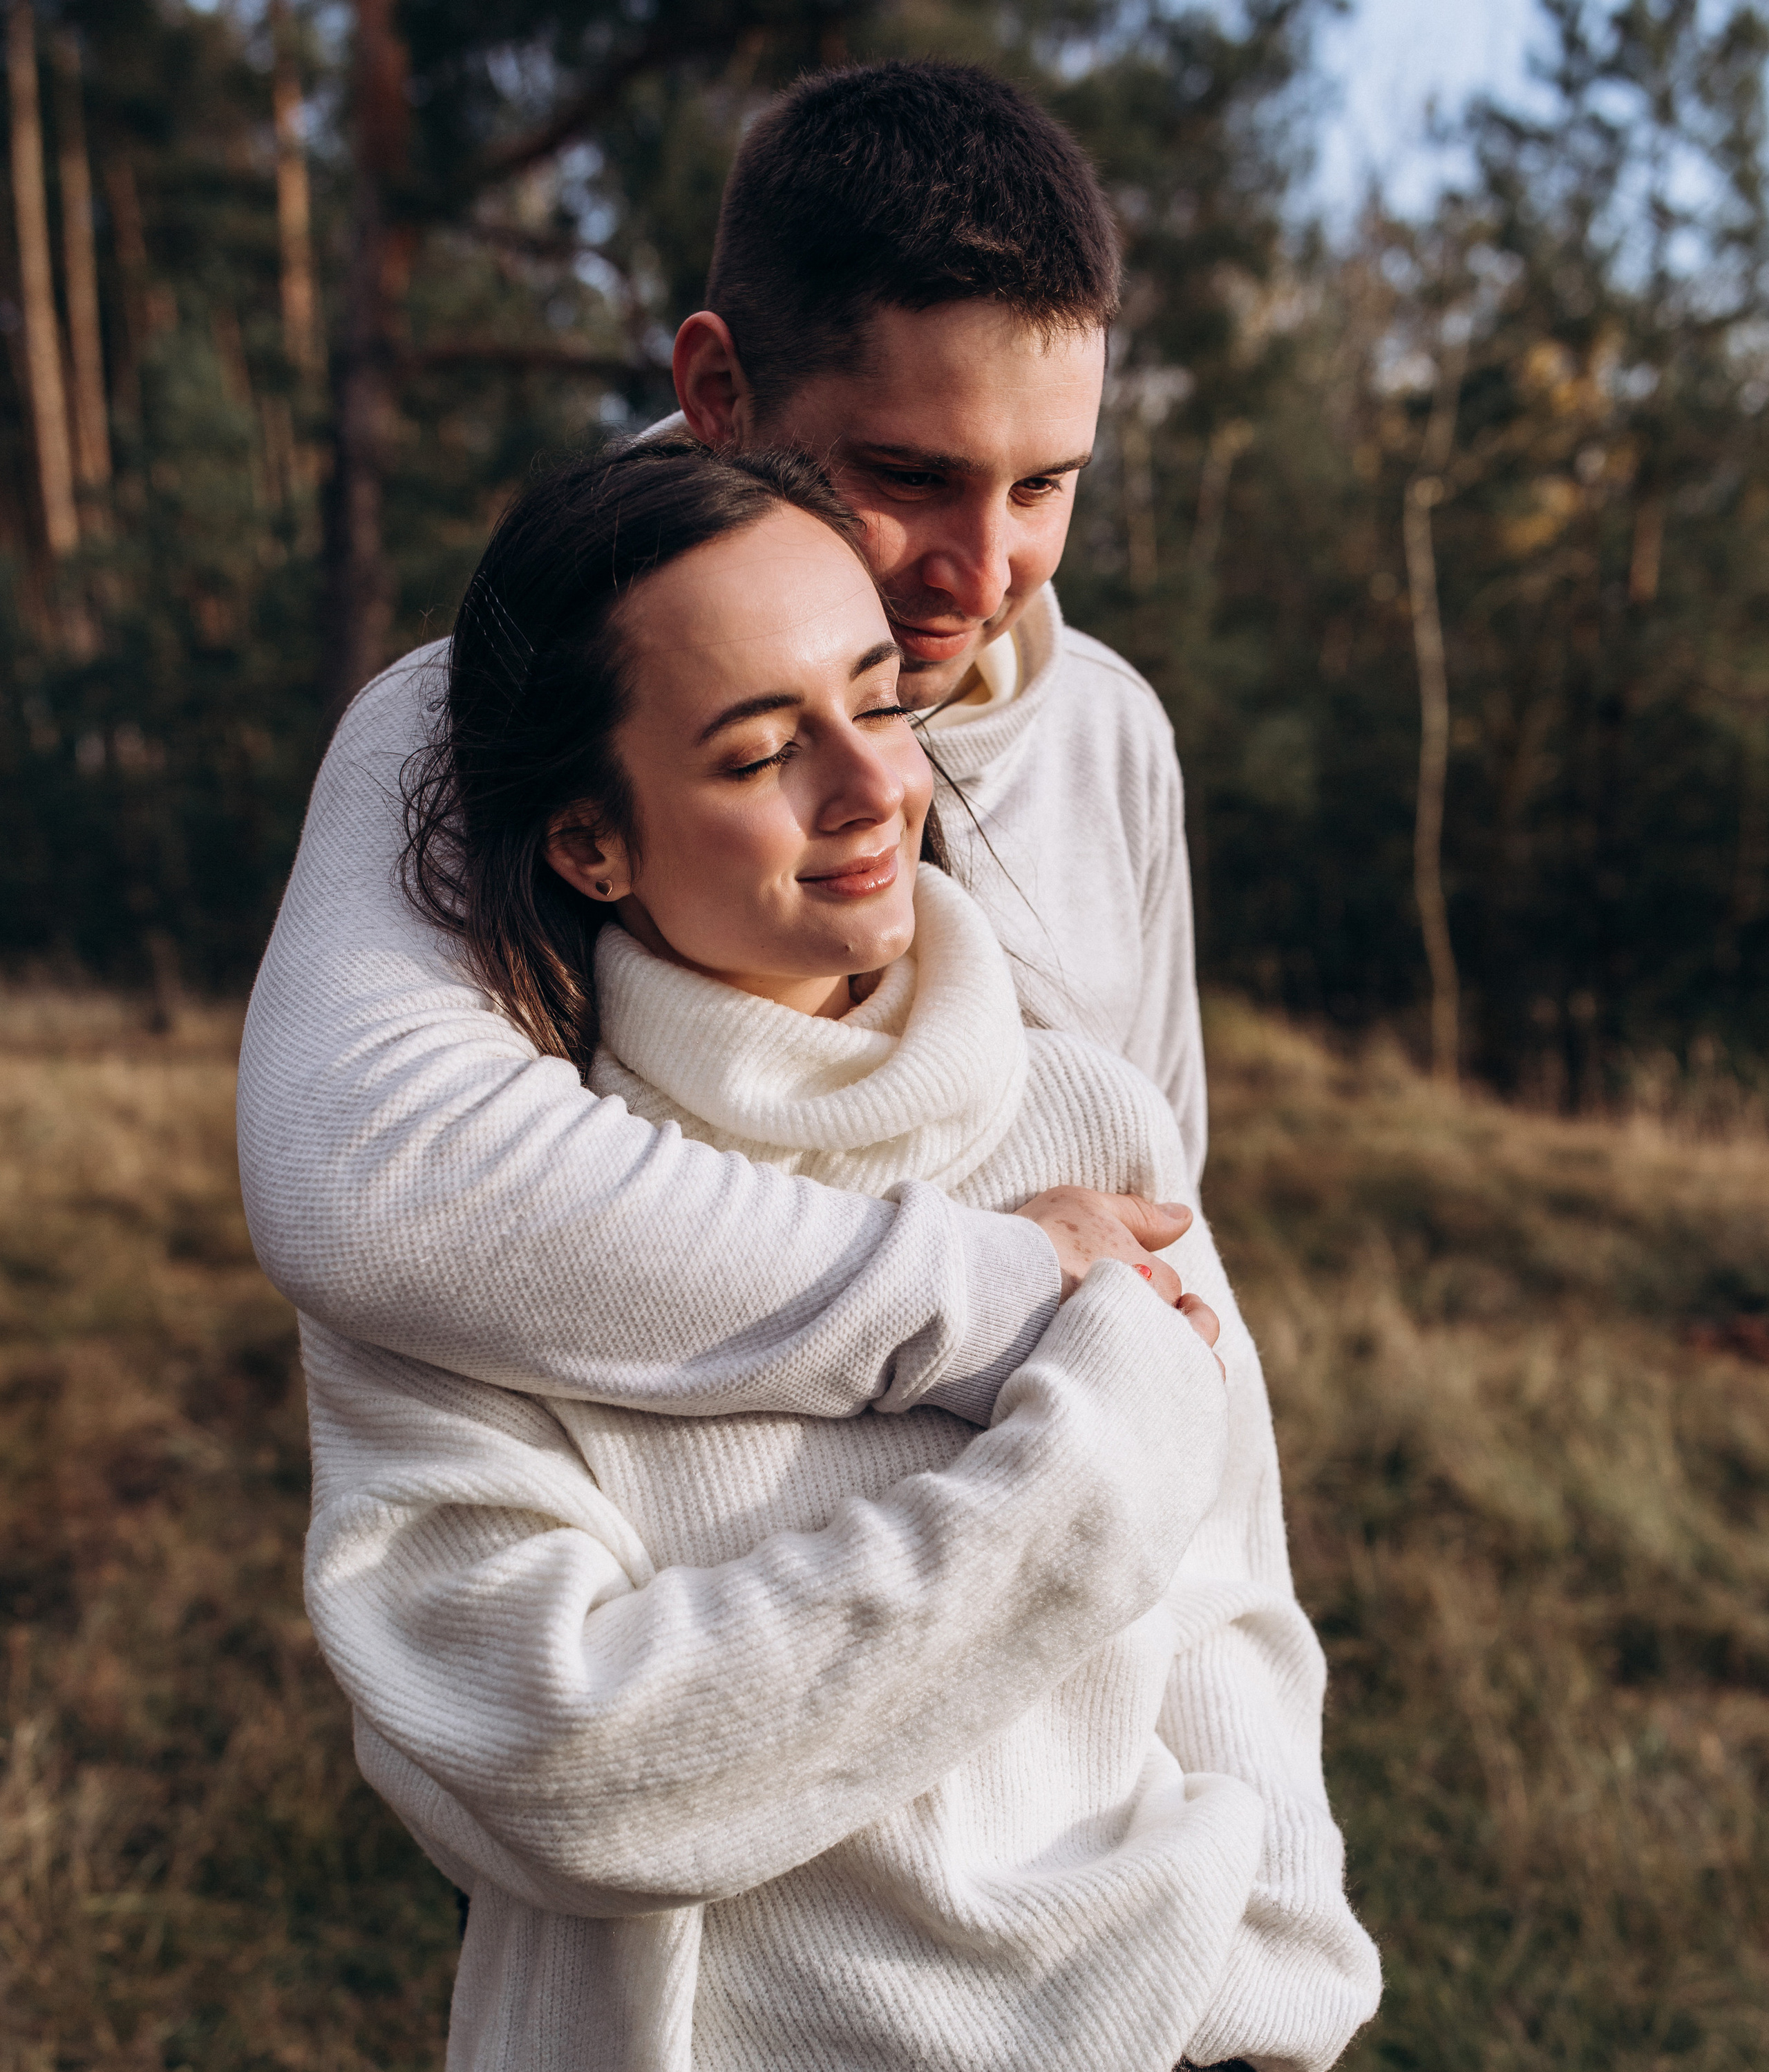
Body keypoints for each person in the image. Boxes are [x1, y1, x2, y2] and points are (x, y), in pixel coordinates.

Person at [297, 435, 1414, 2072]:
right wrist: (1079, 1462)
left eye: (878, 703)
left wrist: (1249, 1949)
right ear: (591, 837)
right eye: (755, 751)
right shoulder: (487, 1240)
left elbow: (1226, 1590)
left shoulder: (1080, 1115)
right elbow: (553, 1750)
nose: (868, 788)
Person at [238, 61, 1209, 1454]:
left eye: (1044, 485)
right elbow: (368, 1181)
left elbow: (1166, 1213)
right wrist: (996, 1289)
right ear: (716, 390)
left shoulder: (1111, 731)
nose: (982, 571)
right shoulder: (469, 719)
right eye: (910, 476)